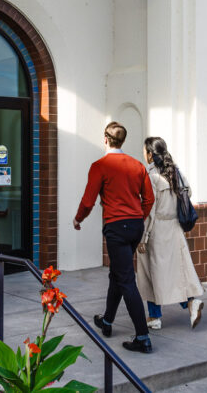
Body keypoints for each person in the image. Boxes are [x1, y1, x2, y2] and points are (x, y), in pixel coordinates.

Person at [73, 121, 156, 353]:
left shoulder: (100, 166)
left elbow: (88, 200)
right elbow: (148, 199)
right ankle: (107, 320)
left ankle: (143, 336)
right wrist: (140, 216)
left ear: (106, 139)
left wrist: (78, 218)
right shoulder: (137, 165)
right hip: (135, 226)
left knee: (126, 279)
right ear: (123, 140)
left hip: (116, 227)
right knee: (118, 274)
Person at [135, 136, 204, 331]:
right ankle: (191, 302)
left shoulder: (151, 176)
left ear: (150, 153)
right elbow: (188, 194)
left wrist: (143, 238)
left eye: (144, 151)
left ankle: (154, 317)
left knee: (150, 274)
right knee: (175, 276)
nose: (143, 154)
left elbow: (149, 209)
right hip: (175, 229)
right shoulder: (176, 172)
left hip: (156, 230)